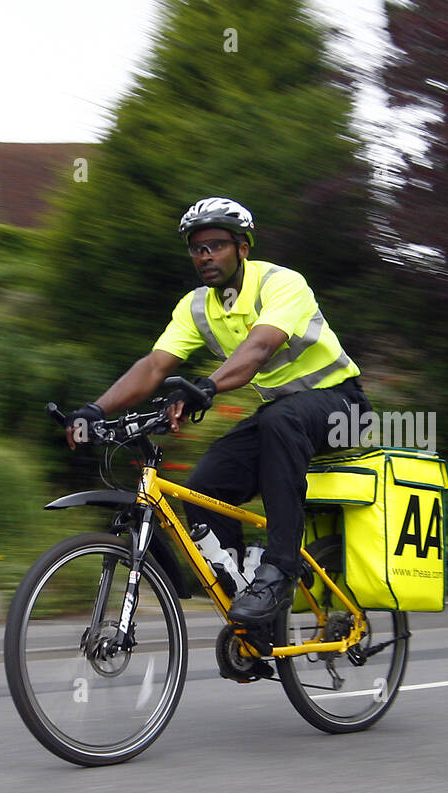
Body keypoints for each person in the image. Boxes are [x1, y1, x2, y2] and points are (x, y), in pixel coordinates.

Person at [65, 197, 370, 642]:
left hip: (344, 407)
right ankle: (250, 609)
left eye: (216, 245)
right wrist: (95, 410)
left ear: (243, 247)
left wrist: (206, 387)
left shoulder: (282, 284)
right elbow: (154, 366)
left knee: (279, 420)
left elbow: (259, 348)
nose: (204, 256)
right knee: (204, 486)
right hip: (282, 415)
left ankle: (279, 571)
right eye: (196, 248)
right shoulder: (196, 308)